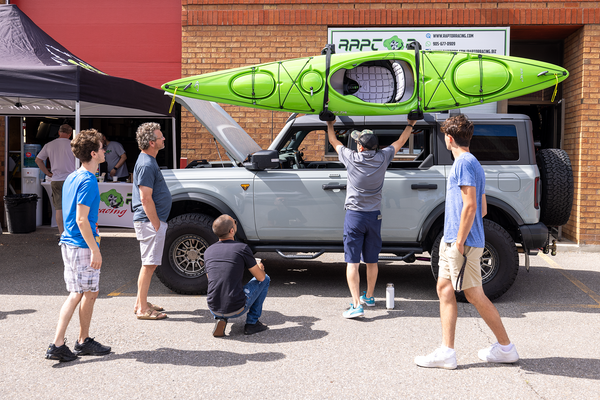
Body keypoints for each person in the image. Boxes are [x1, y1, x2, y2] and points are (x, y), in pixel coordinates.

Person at [414, 114, 519, 369]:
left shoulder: (462, 163)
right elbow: (482, 208)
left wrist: (459, 241)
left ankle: (506, 348)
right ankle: (446, 351)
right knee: (445, 289)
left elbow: (471, 205)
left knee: (474, 295)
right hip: (455, 239)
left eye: (445, 138)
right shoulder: (474, 163)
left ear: (449, 139)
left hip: (461, 242)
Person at [326, 118, 416, 318]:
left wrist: (330, 124)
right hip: (374, 216)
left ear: (360, 146)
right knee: (372, 260)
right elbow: (400, 142)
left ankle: (356, 305)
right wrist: (411, 123)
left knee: (352, 262)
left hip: (355, 216)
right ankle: (370, 296)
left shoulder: (351, 158)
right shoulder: (383, 157)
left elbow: (334, 142)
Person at [45, 128, 111, 362]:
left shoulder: (74, 176)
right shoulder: (89, 180)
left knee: (84, 292)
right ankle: (62, 343)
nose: (105, 151)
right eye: (103, 148)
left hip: (71, 243)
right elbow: (82, 219)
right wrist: (95, 249)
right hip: (81, 245)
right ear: (94, 153)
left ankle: (77, 341)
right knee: (83, 293)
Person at [205, 214, 270, 337]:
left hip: (213, 307)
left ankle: (220, 318)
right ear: (231, 230)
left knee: (221, 288)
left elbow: (211, 279)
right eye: (234, 223)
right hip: (236, 308)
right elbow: (260, 278)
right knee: (265, 279)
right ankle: (252, 323)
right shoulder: (242, 248)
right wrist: (260, 268)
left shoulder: (208, 251)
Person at [132, 122, 171, 320]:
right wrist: (156, 223)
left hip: (149, 222)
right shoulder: (147, 163)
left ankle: (141, 302)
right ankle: (142, 310)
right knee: (149, 265)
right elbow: (145, 198)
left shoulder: (148, 160)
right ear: (151, 142)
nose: (164, 139)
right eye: (160, 137)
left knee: (148, 264)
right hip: (150, 223)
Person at [35, 124, 77, 234]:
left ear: (58, 132)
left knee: (59, 208)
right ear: (70, 134)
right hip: (71, 180)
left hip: (56, 180)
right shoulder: (74, 144)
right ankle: (71, 234)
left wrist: (47, 173)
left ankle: (62, 234)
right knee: (72, 208)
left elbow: (38, 160)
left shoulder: (49, 145)